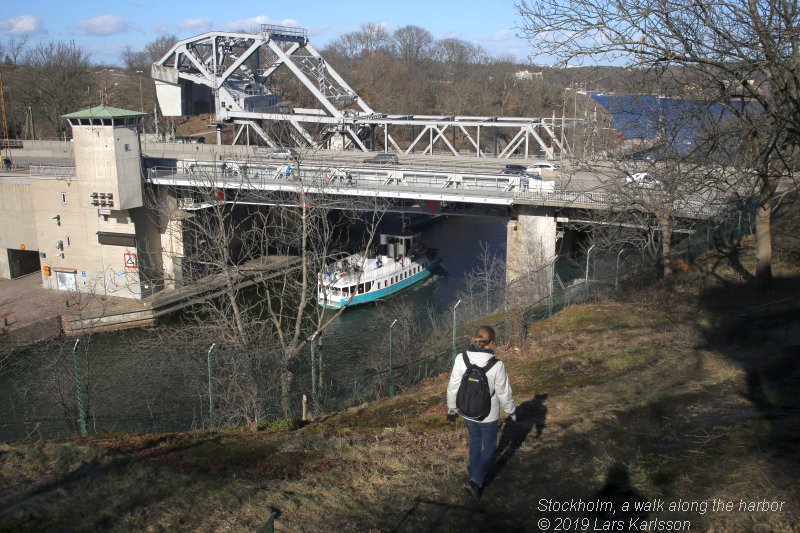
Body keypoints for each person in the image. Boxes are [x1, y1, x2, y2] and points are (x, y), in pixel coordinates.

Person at [446, 325, 516, 500]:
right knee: (490, 446)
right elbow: (503, 392)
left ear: (475, 339)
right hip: (488, 414)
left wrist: (452, 408)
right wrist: (511, 411)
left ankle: (474, 471)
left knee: (475, 441)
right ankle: (475, 481)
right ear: (491, 343)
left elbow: (453, 386)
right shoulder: (497, 365)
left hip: (466, 410)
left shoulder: (461, 358)